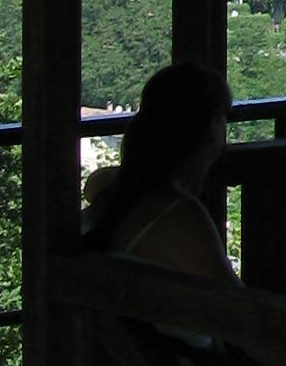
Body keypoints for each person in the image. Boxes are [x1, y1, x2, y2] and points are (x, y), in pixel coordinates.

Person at [82, 59, 237, 276]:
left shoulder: (107, 185)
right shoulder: (182, 217)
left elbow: (97, 182)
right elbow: (233, 302)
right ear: (213, 126)